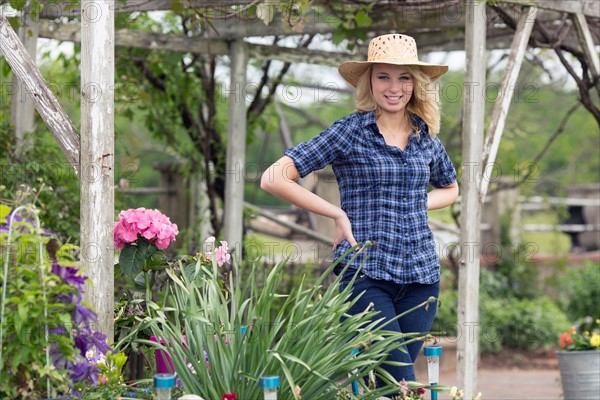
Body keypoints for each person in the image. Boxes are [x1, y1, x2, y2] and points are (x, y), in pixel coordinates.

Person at [260, 33, 459, 386]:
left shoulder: (425, 135)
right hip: (365, 274)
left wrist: (415, 202)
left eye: (404, 77)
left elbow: (451, 188)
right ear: (369, 81)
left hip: (422, 279)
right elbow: (274, 178)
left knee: (383, 386)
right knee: (402, 383)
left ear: (415, 84)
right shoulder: (349, 132)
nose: (394, 87)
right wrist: (336, 213)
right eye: (384, 76)